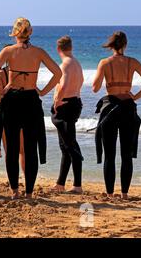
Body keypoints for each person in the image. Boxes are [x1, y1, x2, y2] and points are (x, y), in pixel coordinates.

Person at [0, 18, 61, 199]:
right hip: (31, 100)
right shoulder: (38, 52)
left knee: (12, 148)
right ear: (30, 32)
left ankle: (15, 191)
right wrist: (42, 91)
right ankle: (29, 193)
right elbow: (58, 73)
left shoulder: (9, 51)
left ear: (14, 33)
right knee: (30, 148)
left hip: (12, 100)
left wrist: (1, 91)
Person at [92, 31, 141, 200]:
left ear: (111, 45)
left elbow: (95, 88)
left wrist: (101, 77)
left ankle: (111, 194)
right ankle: (125, 194)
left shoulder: (104, 63)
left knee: (109, 155)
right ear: (125, 45)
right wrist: (135, 96)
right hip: (127, 108)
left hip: (110, 108)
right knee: (126, 155)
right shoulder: (132, 62)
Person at [51, 36, 84, 194]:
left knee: (71, 146)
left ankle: (77, 185)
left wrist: (57, 100)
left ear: (58, 49)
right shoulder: (76, 63)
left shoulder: (65, 64)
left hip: (66, 105)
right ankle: (60, 183)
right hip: (75, 102)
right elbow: (81, 81)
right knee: (66, 146)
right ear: (71, 47)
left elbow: (63, 85)